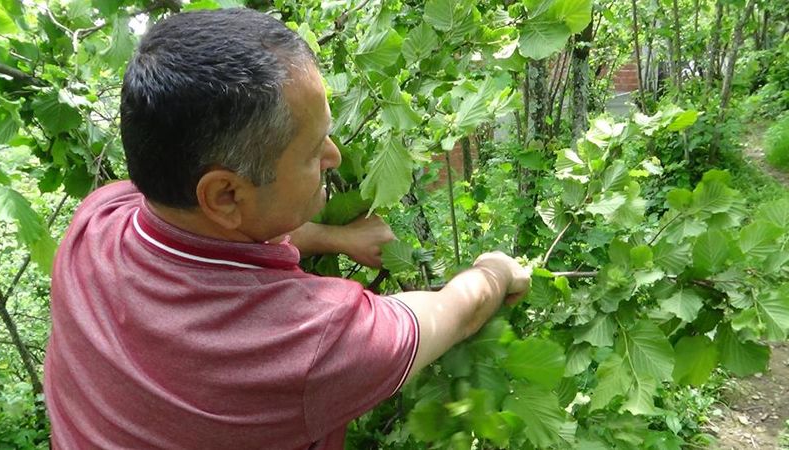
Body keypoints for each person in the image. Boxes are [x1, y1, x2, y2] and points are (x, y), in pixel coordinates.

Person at [43, 8, 531, 450]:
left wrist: (333, 238)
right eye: (312, 148)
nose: (333, 155)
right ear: (226, 195)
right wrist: (494, 271)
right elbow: (457, 313)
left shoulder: (99, 217)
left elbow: (217, 233)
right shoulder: (305, 340)